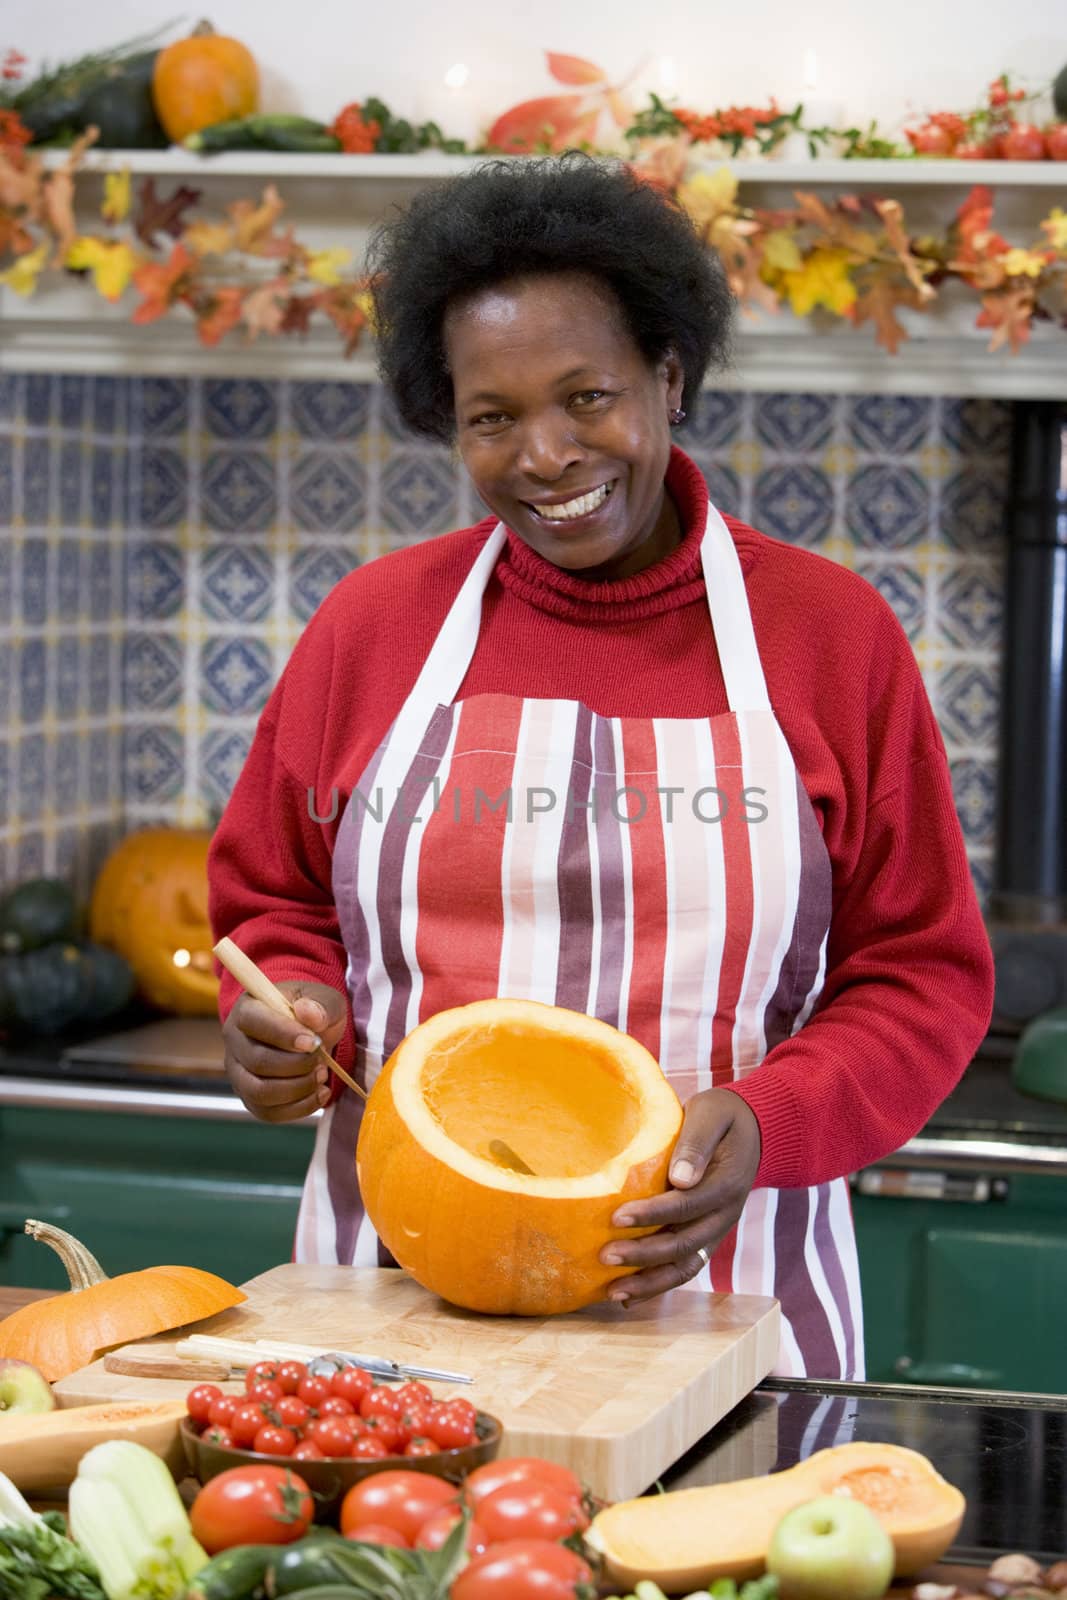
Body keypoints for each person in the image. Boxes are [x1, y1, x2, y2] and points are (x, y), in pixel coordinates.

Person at [208, 155, 994, 1379]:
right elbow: (275, 901)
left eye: (587, 397)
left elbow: (922, 973)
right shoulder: (371, 629)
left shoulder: (829, 638)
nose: (545, 454)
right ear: (446, 418)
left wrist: (769, 1119)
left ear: (668, 380)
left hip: (729, 1304)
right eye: (491, 416)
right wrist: (284, 1011)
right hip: (391, 1309)